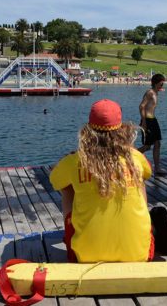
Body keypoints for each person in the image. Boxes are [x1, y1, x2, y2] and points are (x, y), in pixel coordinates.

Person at [50, 99, 153, 263]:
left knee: (67, 186)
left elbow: (54, 179)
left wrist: (67, 160)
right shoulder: (136, 157)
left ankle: (80, 235)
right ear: (121, 129)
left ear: (88, 130)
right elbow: (148, 170)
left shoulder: (75, 161)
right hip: (138, 254)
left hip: (85, 256)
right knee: (139, 177)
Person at [138, 73, 167, 177]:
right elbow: (141, 106)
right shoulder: (150, 92)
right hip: (148, 120)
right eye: (161, 83)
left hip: (153, 120)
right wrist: (144, 122)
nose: (162, 85)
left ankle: (157, 168)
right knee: (147, 147)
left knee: (157, 144)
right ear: (156, 82)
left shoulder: (156, 92)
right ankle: (131, 157)